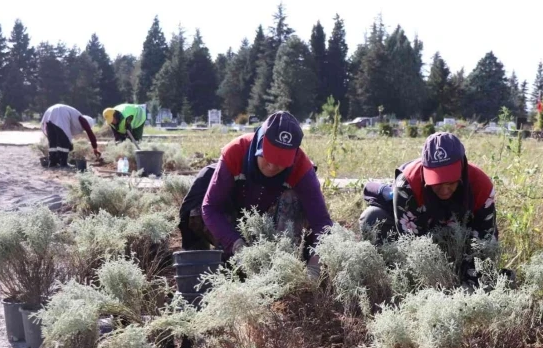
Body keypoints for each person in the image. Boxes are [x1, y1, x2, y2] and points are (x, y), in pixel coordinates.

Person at [178, 111, 332, 278]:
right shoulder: (236, 151)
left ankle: (282, 270)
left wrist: (315, 263)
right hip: (234, 220)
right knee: (197, 203)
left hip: (274, 227)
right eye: (268, 157)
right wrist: (236, 245)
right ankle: (225, 265)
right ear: (260, 143)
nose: (272, 166)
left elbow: (321, 222)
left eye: (281, 162)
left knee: (292, 198)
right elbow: (210, 207)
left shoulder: (302, 167)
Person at [359, 131, 497, 245]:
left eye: (451, 182)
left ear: (462, 167)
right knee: (372, 216)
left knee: (488, 245)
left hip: (459, 232)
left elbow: (483, 238)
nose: (444, 190)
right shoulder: (408, 184)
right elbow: (412, 246)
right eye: (436, 183)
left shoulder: (481, 185)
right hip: (419, 228)